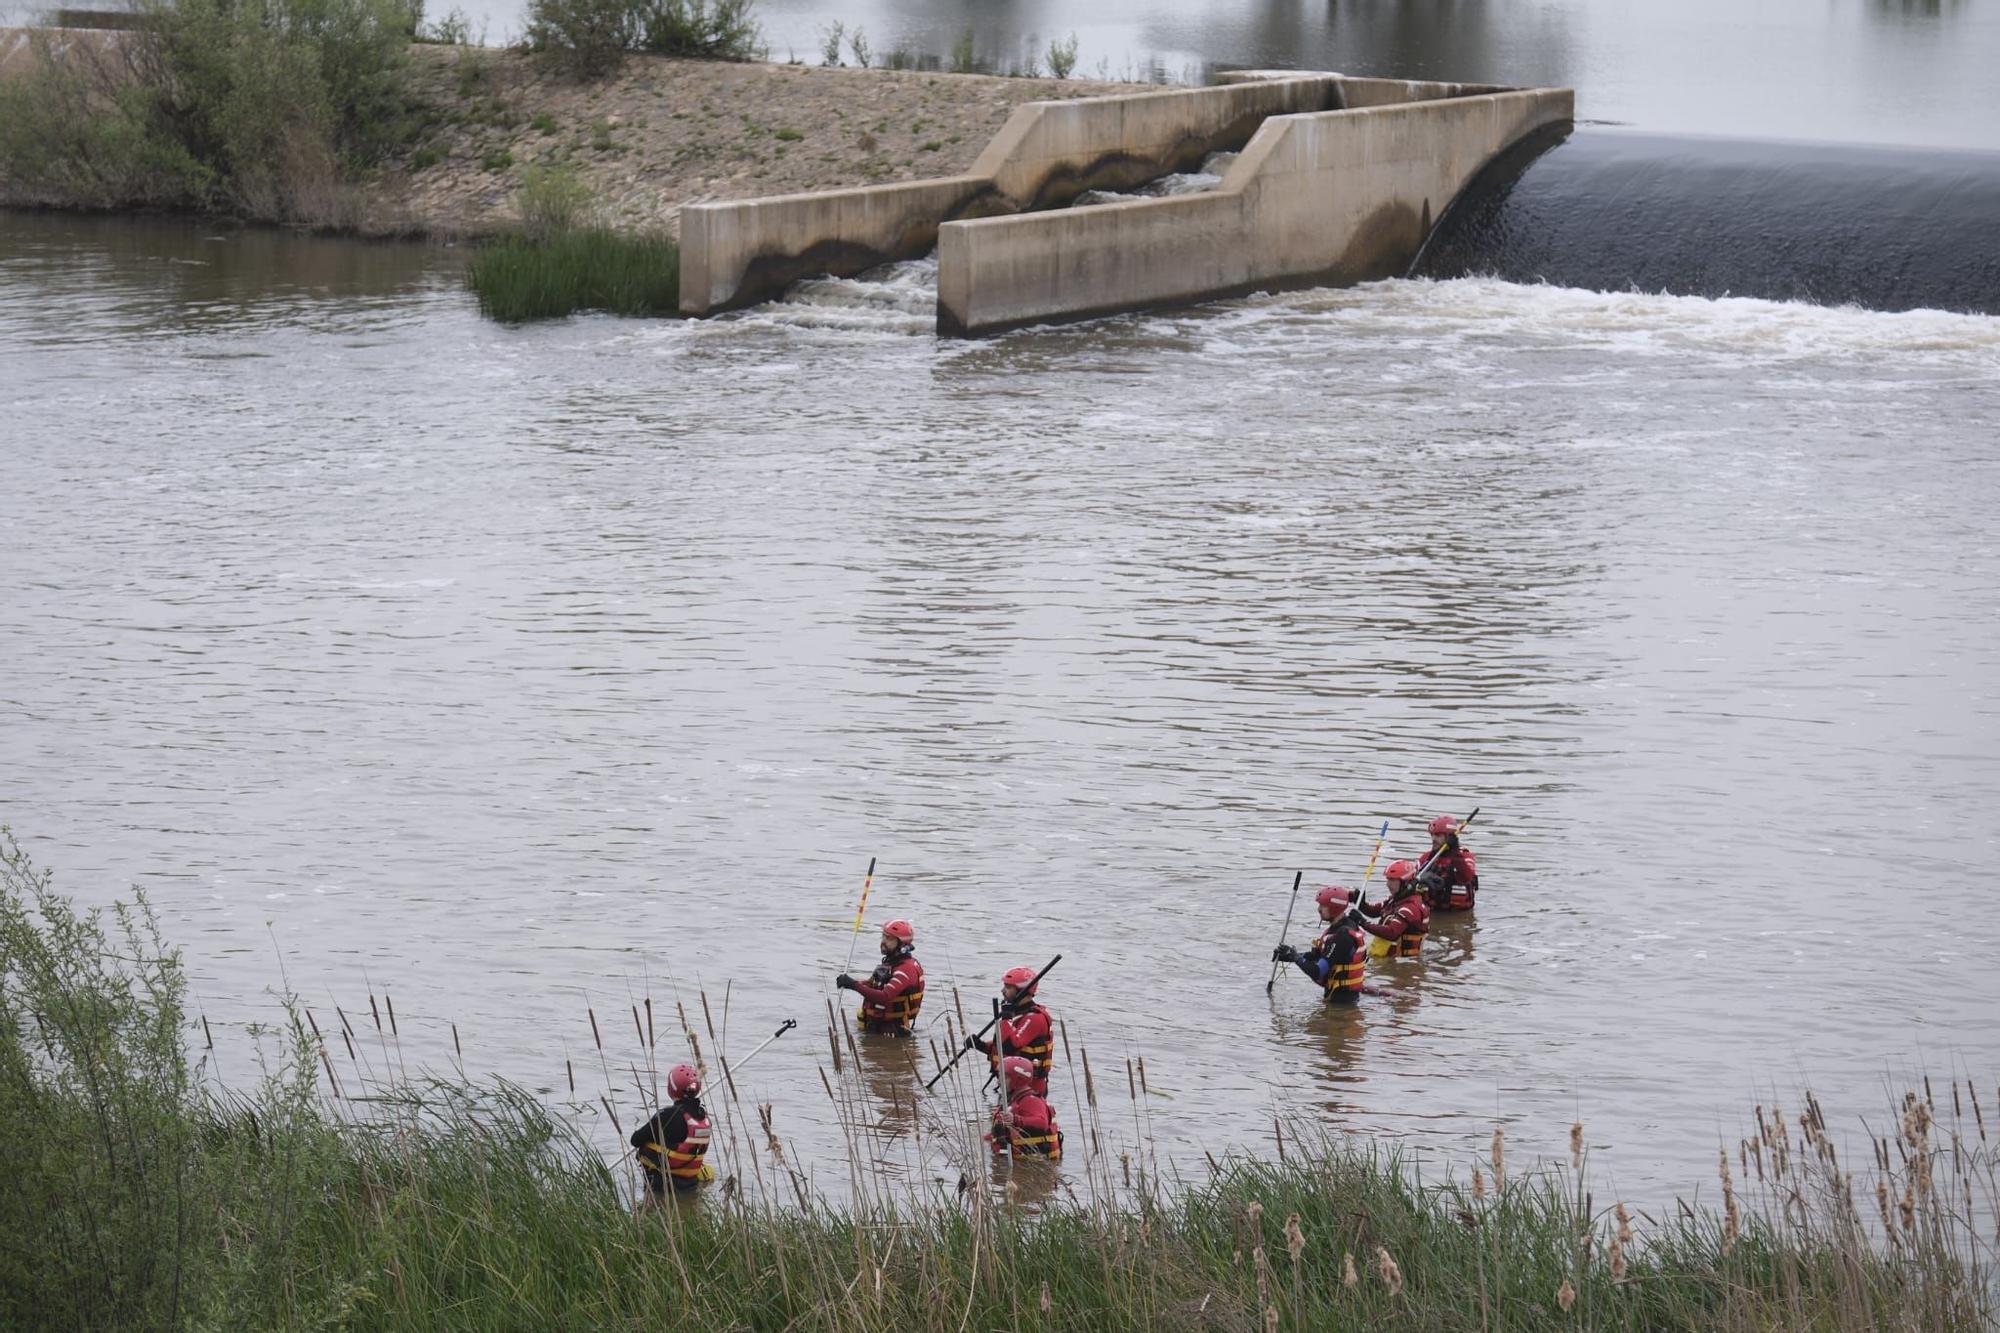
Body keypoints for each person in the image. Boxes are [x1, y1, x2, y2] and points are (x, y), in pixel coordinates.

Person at [1272, 884, 1368, 1003]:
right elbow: (1318, 956)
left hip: (1342, 1005)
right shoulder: (1338, 928)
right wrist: (1289, 956)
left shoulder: (1343, 937)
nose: (1319, 909)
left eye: (1323, 906)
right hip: (1337, 998)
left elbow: (1318, 971)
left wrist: (1295, 957)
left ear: (1335, 907)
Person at [967, 965, 1054, 1094]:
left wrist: (1006, 1018)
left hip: (1029, 1091)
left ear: (1022, 990)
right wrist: (981, 1045)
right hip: (1010, 1086)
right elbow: (1003, 1047)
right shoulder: (1016, 1013)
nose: (1002, 991)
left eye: (1008, 987)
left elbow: (1009, 1046)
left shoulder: (1035, 1019)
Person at [630, 1063, 711, 1200]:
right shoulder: (703, 1117)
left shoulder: (667, 1115)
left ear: (671, 1088)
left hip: (662, 1187)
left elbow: (635, 1140)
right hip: (691, 1185)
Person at [836, 918, 926, 1035]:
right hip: (877, 1030)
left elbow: (884, 996)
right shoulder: (891, 963)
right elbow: (873, 985)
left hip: (893, 1035)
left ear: (901, 943)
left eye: (889, 938)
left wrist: (854, 985)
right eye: (883, 936)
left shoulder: (906, 970)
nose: (883, 941)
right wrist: (850, 982)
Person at [989, 1055, 1063, 1161]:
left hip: (1034, 1166)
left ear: (1017, 1079)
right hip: (1017, 1162)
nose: (998, 1082)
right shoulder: (1014, 1100)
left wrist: (1015, 1119)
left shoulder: (1031, 1101)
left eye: (1004, 1078)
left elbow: (1041, 1122)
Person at [1360, 860, 1431, 958]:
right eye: (1388, 880)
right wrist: (1359, 903)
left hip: (1404, 963)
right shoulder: (1395, 900)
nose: (1388, 884)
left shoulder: (1411, 908)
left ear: (1405, 882)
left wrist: (1362, 922)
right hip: (1389, 958)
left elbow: (1391, 933)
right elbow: (1374, 911)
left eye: (1393, 880)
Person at [1417, 815, 1479, 912]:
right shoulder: (1425, 858)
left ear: (1449, 836)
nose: (1433, 839)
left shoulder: (1465, 857)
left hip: (1459, 914)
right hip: (1433, 912)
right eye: (1432, 835)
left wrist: (1454, 852)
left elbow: (1466, 877)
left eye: (1438, 835)